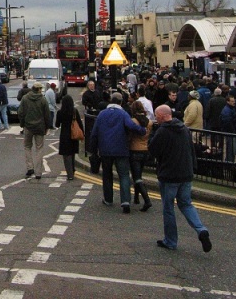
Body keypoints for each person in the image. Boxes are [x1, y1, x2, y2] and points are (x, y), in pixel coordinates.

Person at [148, 104, 212, 252]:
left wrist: (153, 132)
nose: (156, 118)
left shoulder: (163, 131)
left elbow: (153, 149)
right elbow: (191, 150)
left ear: (163, 116)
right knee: (186, 204)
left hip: (169, 175)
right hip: (186, 173)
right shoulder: (184, 129)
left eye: (157, 116)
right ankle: (201, 229)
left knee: (168, 208)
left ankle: (171, 241)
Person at [87, 92, 146, 213]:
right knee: (124, 175)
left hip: (105, 150)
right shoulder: (123, 113)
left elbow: (94, 133)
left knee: (107, 175)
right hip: (121, 149)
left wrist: (93, 149)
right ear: (121, 102)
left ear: (110, 100)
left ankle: (108, 199)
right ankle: (125, 202)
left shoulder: (102, 114)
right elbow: (131, 125)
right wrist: (142, 130)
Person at [18, 81, 50, 179]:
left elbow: (20, 112)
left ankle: (30, 168)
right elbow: (47, 115)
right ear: (39, 89)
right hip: (40, 127)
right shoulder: (43, 100)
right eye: (41, 89)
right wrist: (47, 127)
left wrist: (22, 123)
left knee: (27, 147)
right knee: (39, 149)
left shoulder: (25, 98)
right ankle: (38, 173)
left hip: (28, 127)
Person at [129, 101, 153, 211]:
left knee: (136, 177)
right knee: (139, 174)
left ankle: (147, 200)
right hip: (145, 150)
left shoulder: (133, 121)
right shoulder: (149, 122)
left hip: (134, 150)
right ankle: (136, 197)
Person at [55, 94, 82, 180]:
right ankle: (73, 169)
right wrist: (82, 134)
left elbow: (57, 124)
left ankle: (70, 174)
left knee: (66, 155)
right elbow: (80, 123)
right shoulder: (74, 111)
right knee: (72, 152)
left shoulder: (60, 112)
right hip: (74, 134)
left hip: (64, 135)